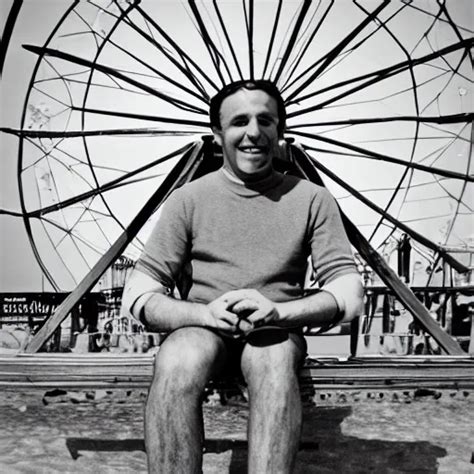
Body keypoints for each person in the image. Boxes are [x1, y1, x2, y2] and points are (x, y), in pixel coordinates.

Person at [122, 79, 363, 473]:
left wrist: (279, 313)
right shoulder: (187, 200)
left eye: (265, 120)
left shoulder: (312, 199)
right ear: (218, 134)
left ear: (280, 130)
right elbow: (138, 293)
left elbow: (349, 293)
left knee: (271, 357)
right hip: (201, 329)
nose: (253, 132)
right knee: (179, 356)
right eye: (239, 122)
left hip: (275, 332)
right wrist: (204, 314)